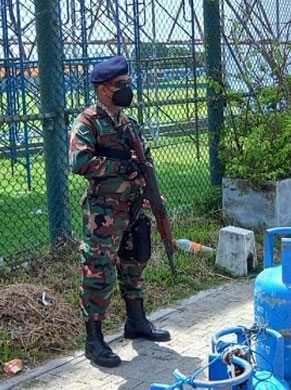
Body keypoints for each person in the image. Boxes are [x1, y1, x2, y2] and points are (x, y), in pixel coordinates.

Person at [69, 55, 170, 368]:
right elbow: (79, 162)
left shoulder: (129, 123)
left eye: (127, 83)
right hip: (104, 211)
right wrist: (119, 166)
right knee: (99, 270)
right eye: (119, 85)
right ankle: (93, 340)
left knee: (134, 262)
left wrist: (152, 192)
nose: (127, 89)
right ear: (102, 89)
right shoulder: (88, 122)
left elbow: (144, 163)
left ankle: (136, 321)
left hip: (133, 206)